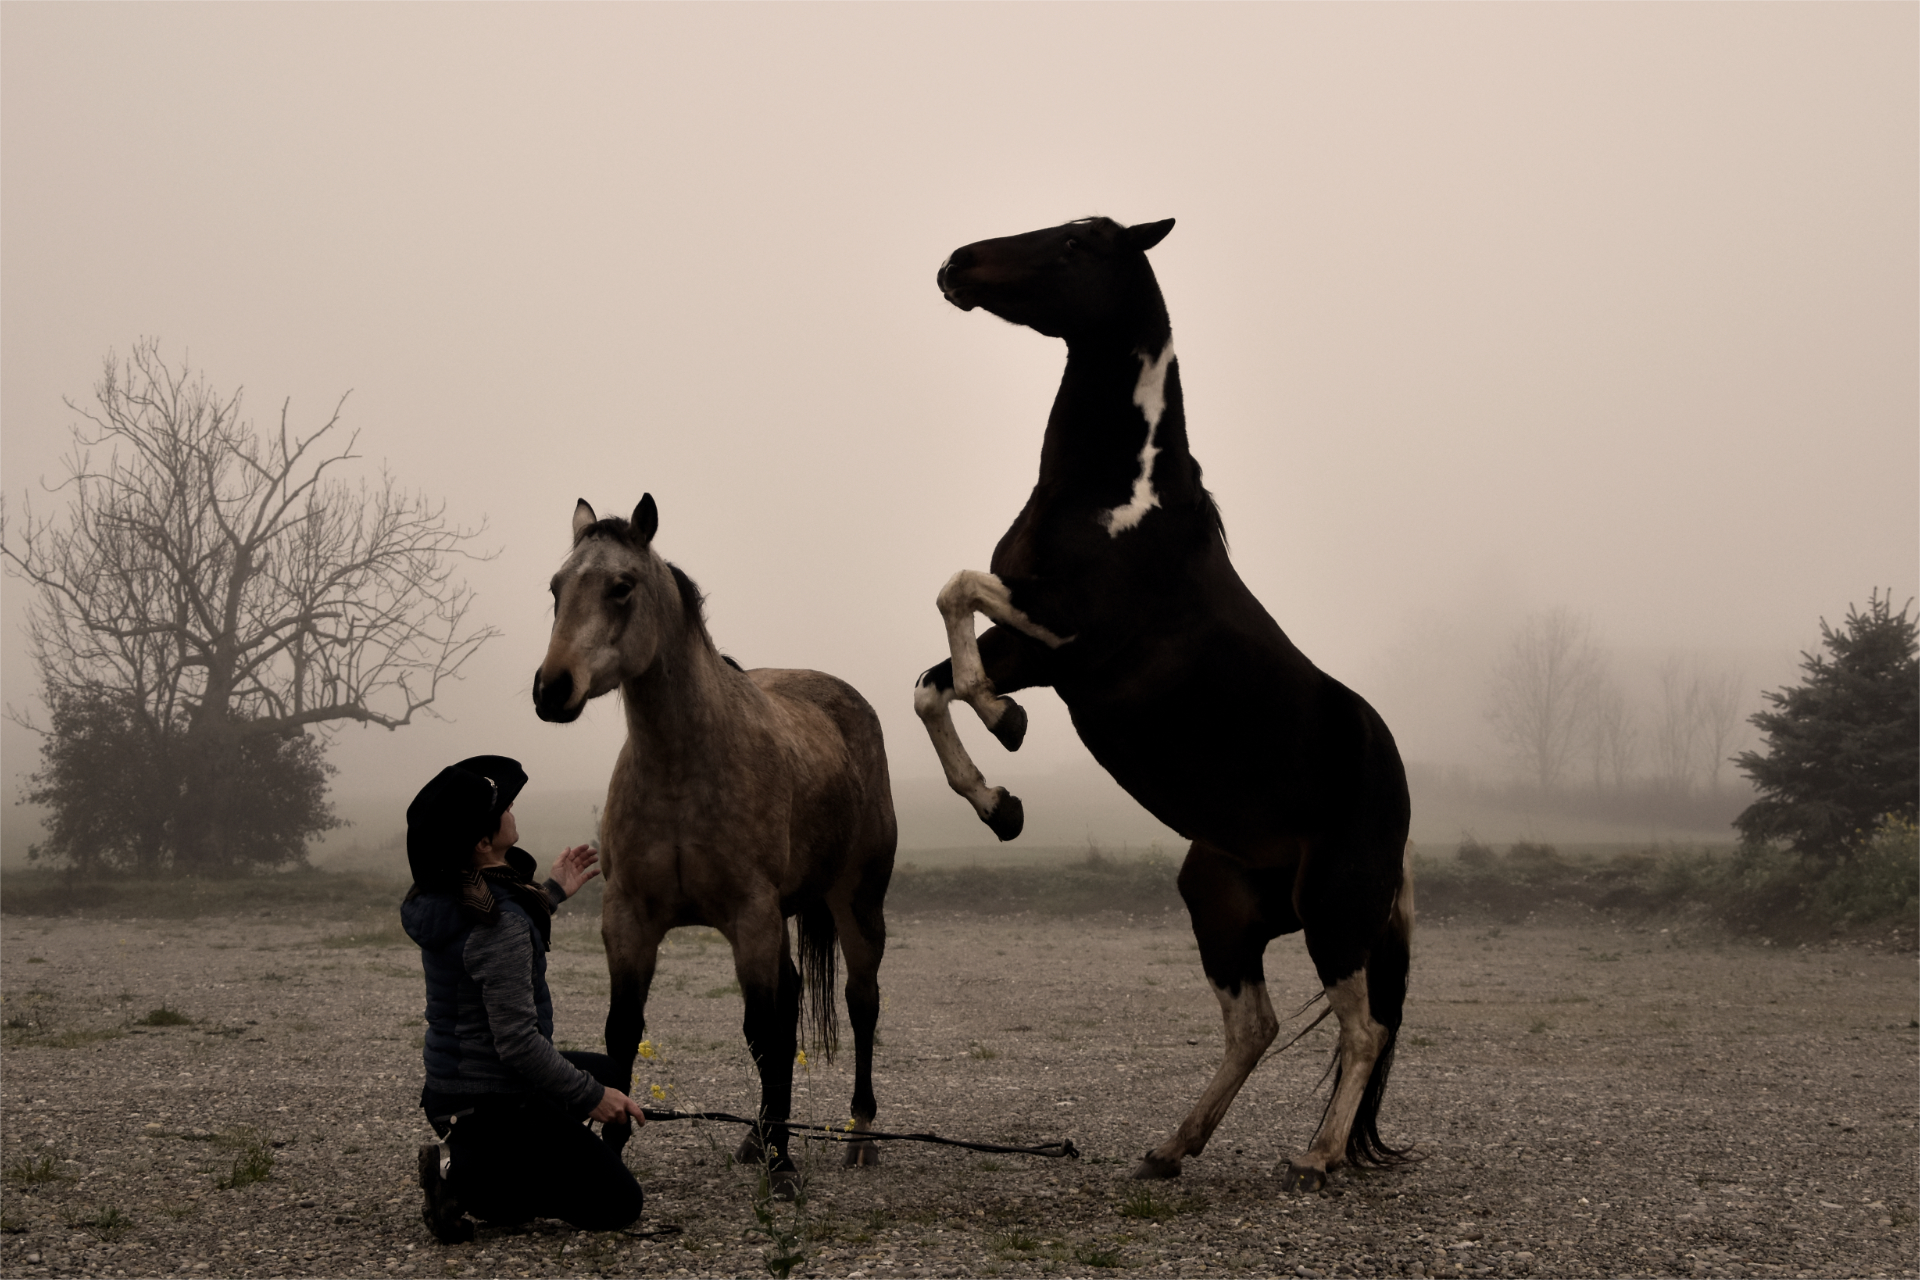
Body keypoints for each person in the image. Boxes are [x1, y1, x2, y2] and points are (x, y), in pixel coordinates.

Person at [401, 754, 647, 1243]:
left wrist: (552, 891)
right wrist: (591, 1098)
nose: (512, 807)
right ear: (482, 842)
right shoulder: (500, 926)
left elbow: (494, 928)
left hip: (454, 1089)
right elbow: (516, 1043)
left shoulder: (451, 894)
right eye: (503, 807)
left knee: (611, 1071)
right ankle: (465, 1176)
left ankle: (509, 1155)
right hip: (492, 1098)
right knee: (619, 1204)